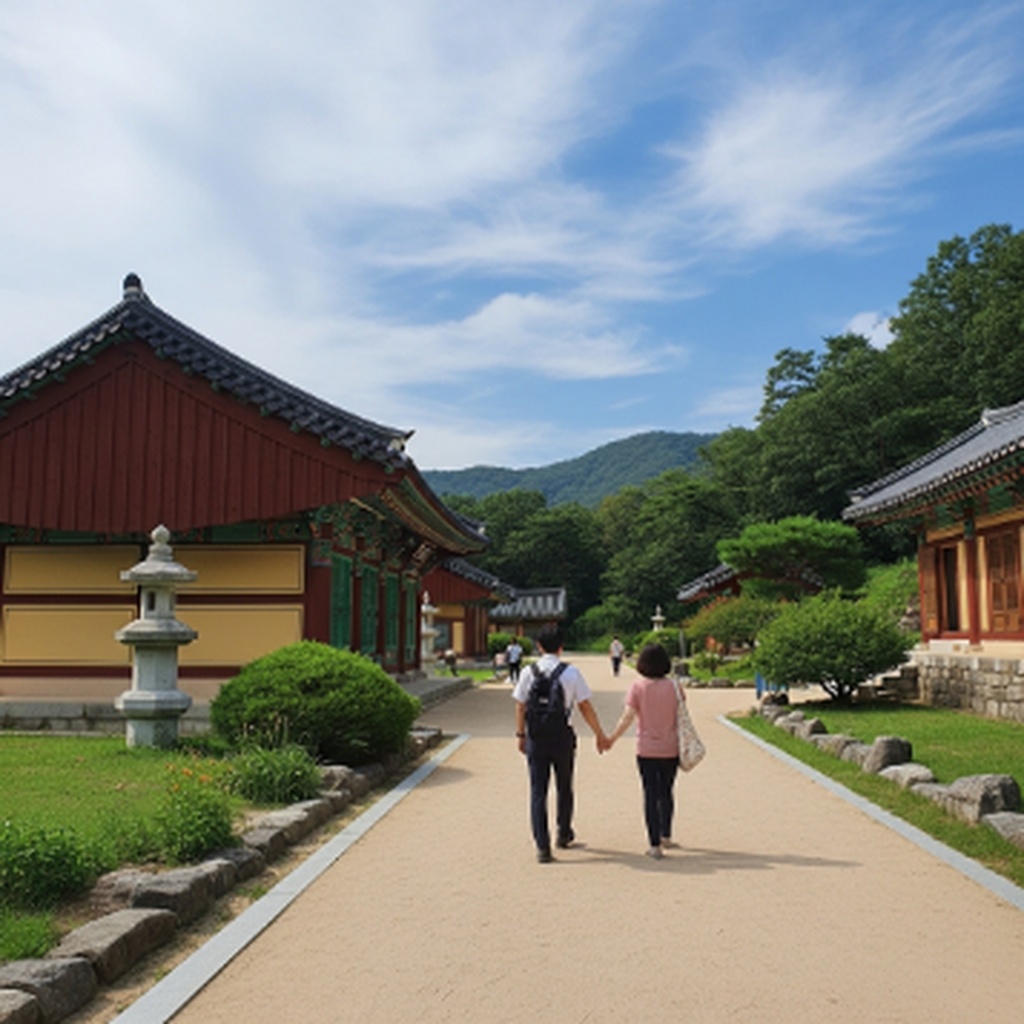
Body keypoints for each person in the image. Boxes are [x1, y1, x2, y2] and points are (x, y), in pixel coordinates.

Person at [513, 626, 607, 863]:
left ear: (539, 646)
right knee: (564, 786)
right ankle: (563, 833)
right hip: (562, 737)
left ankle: (542, 847)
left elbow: (520, 705)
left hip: (536, 738)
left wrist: (520, 734)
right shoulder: (571, 673)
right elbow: (585, 706)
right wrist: (599, 734)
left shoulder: (528, 672)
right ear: (561, 647)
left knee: (538, 791)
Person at [602, 643, 682, 859]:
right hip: (670, 747)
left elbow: (627, 717)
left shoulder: (638, 687)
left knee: (650, 793)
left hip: (646, 749)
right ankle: (666, 834)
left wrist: (611, 739)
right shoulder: (675, 687)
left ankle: (654, 844)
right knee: (666, 791)